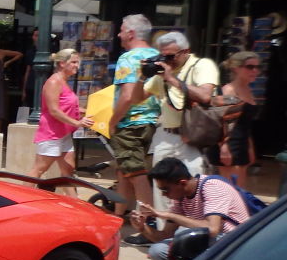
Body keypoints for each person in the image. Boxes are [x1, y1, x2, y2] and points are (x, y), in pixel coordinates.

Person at [131, 157, 250, 260]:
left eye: (165, 190)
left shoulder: (212, 187)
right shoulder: (180, 197)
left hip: (236, 242)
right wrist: (142, 227)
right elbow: (165, 236)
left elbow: (212, 229)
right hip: (212, 242)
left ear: (182, 183)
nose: (163, 194)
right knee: (157, 250)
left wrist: (167, 215)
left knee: (185, 239)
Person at [142, 30, 218, 191]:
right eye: (163, 57)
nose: (167, 61)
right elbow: (136, 98)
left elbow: (205, 96)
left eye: (170, 56)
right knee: (162, 191)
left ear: (185, 52)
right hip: (165, 137)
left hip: (193, 139)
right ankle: (162, 217)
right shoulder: (162, 74)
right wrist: (141, 75)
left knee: (192, 190)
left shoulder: (202, 65)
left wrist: (171, 79)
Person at [108, 13, 161, 225]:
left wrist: (113, 121)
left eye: (121, 30)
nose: (119, 35)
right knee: (125, 171)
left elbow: (128, 96)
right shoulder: (157, 55)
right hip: (152, 121)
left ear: (130, 33)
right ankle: (118, 214)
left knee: (137, 174)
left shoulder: (128, 58)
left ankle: (148, 222)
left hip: (130, 124)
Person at [28, 48, 93, 186]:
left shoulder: (64, 81)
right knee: (38, 170)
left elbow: (67, 107)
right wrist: (77, 123)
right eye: (74, 62)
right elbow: (54, 110)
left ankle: (74, 205)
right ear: (62, 63)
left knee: (68, 171)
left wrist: (87, 111)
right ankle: (19, 202)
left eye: (78, 62)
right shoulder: (53, 82)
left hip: (64, 133)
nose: (77, 65)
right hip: (51, 133)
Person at [207, 51, 260, 184]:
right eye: (250, 67)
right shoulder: (228, 91)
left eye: (257, 67)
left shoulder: (248, 91)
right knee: (232, 191)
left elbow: (246, 124)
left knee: (239, 190)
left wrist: (250, 148)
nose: (255, 71)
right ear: (236, 68)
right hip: (228, 145)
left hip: (241, 144)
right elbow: (219, 121)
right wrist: (224, 148)